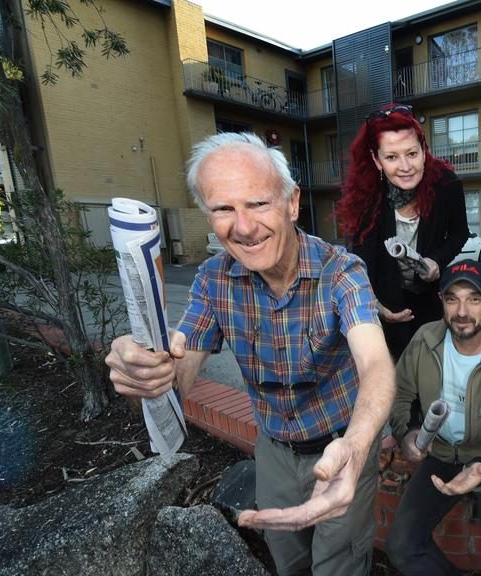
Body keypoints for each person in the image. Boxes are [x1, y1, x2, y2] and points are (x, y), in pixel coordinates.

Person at [105, 132, 395, 576]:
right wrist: (144, 373)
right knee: (288, 560)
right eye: (223, 208)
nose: (242, 227)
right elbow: (176, 378)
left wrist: (356, 449)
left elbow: (376, 365)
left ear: (292, 203)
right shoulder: (213, 279)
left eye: (257, 204)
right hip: (273, 451)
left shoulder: (341, 271)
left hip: (341, 443)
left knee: (339, 566)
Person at [385, 259, 481, 576]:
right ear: (440, 300)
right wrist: (408, 434)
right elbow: (400, 395)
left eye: (474, 299)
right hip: (439, 454)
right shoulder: (425, 339)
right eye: (453, 298)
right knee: (402, 547)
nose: (462, 311)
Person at [336, 103, 469, 359]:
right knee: (394, 381)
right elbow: (360, 259)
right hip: (384, 303)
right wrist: (373, 304)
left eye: (411, 153)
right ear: (377, 160)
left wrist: (436, 261)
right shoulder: (366, 196)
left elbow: (459, 234)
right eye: (391, 157)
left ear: (424, 149)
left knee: (431, 371)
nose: (405, 166)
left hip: (430, 300)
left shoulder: (447, 186)